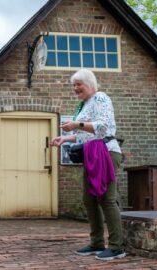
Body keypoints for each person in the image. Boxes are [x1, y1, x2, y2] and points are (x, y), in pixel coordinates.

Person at [49, 69, 126, 261]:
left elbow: (102, 127)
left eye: (78, 84)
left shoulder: (100, 98)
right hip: (92, 153)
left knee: (106, 199)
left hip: (106, 152)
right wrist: (65, 138)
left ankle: (117, 247)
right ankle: (96, 242)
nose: (75, 88)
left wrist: (76, 125)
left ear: (90, 84)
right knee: (89, 199)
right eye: (73, 85)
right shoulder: (85, 104)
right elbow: (86, 133)